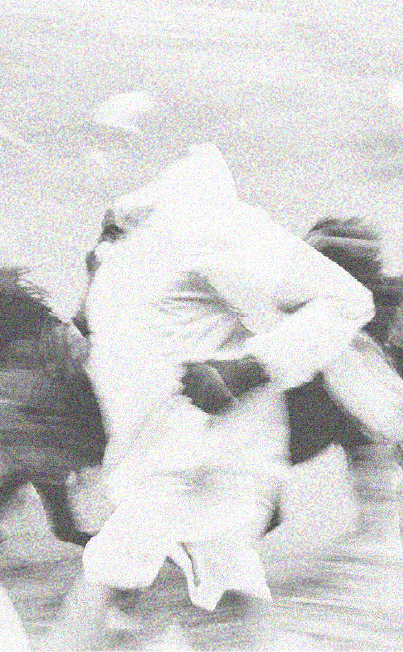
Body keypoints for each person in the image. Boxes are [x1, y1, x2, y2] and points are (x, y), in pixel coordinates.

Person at [51, 143, 375, 650]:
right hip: (166, 460)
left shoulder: (206, 224)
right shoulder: (130, 247)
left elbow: (347, 300)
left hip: (201, 461)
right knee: (218, 597)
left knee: (117, 586)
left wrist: (248, 368)